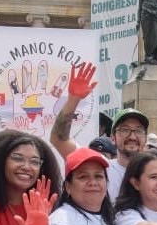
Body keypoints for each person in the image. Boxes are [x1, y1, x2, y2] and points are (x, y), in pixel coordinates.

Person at [51, 61, 148, 200]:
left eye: (138, 130)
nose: (132, 136)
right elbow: (59, 140)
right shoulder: (102, 167)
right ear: (113, 137)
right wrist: (74, 100)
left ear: (145, 138)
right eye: (124, 129)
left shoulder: (156, 173)